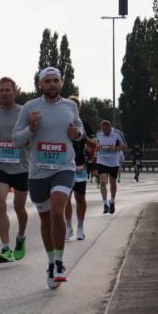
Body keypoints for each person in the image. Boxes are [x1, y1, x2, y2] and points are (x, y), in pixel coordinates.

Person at [12, 67, 83, 288]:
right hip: (38, 172)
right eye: (48, 81)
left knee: (56, 212)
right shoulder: (30, 107)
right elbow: (16, 139)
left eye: (56, 80)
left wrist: (77, 135)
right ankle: (51, 262)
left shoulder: (70, 106)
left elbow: (79, 130)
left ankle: (60, 262)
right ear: (40, 84)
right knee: (45, 220)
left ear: (61, 83)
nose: (52, 84)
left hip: (64, 168)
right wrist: (31, 129)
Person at [0, 77, 30, 262]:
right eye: (1, 90)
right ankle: (6, 247)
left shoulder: (24, 111)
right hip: (0, 164)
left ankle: (20, 237)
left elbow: (34, 132)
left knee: (19, 206)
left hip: (21, 165)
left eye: (7, 90)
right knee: (0, 202)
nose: (4, 93)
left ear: (15, 91)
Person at [64, 95, 94, 241]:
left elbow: (96, 144)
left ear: (78, 108)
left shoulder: (85, 125)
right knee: (65, 198)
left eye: (74, 105)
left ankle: (80, 228)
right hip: (64, 164)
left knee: (80, 197)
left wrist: (85, 138)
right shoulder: (61, 122)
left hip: (80, 165)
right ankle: (68, 227)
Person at [95, 120, 125, 214]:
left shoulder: (117, 133)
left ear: (110, 128)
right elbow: (94, 145)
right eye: (102, 130)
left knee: (113, 183)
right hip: (101, 161)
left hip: (113, 162)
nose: (104, 132)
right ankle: (105, 204)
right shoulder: (98, 134)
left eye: (106, 130)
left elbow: (125, 145)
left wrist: (115, 148)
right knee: (103, 182)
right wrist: (96, 147)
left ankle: (112, 201)